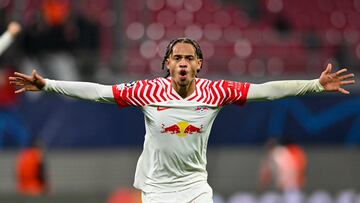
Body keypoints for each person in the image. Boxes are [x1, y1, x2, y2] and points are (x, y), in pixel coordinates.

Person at [9, 38, 355, 203]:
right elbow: (99, 92)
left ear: (199, 64)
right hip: (157, 191)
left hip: (195, 189)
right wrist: (47, 84)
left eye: (190, 57)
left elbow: (266, 90)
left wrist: (315, 84)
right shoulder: (148, 91)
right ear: (168, 64)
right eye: (177, 57)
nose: (184, 62)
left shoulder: (215, 92)